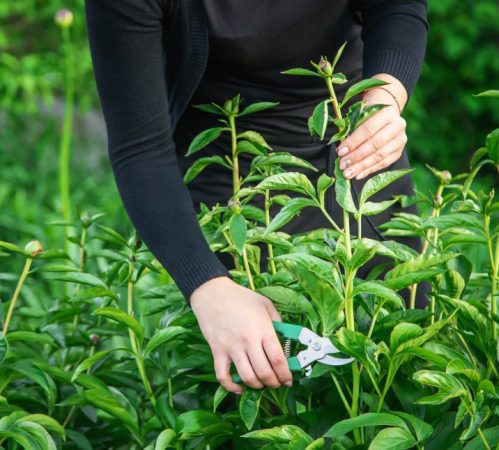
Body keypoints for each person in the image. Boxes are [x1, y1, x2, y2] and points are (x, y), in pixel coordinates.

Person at [84, 0, 428, 395]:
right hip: (232, 190)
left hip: (360, 152)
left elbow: (396, 6)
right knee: (265, 400)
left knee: (401, 374)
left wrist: (385, 98)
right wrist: (207, 286)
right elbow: (140, 150)